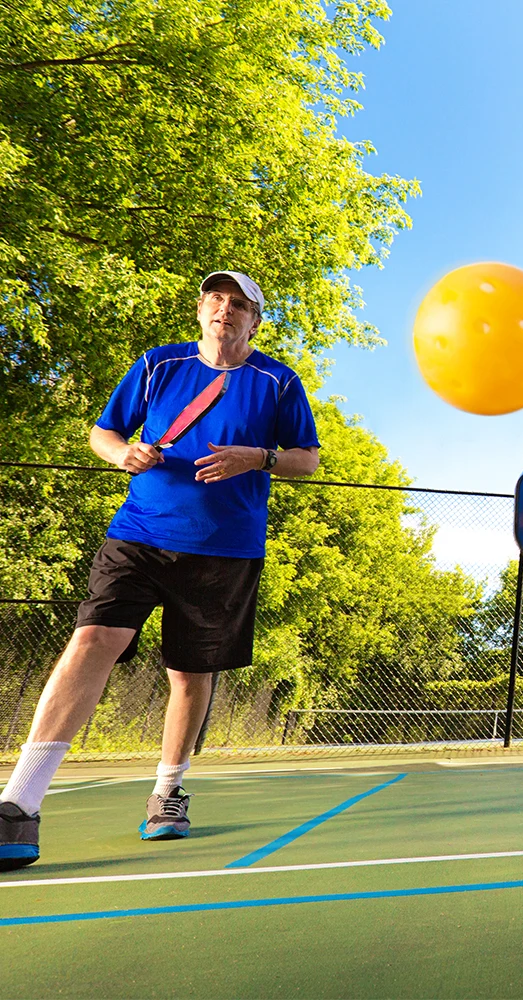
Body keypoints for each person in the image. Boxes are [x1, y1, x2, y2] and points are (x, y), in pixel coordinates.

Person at [0, 271, 320, 870]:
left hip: (226, 549)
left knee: (190, 674)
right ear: (201, 310)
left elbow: (307, 459)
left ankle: (168, 791)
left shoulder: (278, 381)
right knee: (92, 639)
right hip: (139, 534)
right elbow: (104, 433)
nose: (225, 310)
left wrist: (260, 457)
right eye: (216, 300)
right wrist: (124, 452)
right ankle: (18, 803)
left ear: (255, 321)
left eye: (239, 304)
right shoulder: (157, 366)